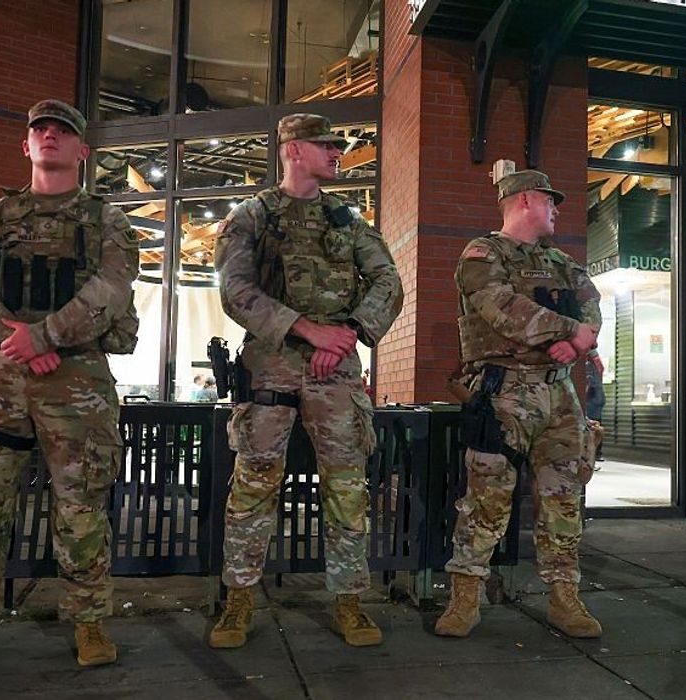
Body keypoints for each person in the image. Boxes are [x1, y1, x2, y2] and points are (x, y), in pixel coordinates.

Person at [0, 100, 140, 670]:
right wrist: (15, 334)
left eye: (64, 132)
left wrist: (47, 337)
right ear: (26, 144)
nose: (51, 137)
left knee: (82, 506)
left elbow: (111, 289)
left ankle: (89, 623)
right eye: (41, 130)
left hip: (77, 378)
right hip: (2, 375)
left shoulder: (107, 220)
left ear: (83, 150)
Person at [209, 114, 403, 649]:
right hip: (270, 366)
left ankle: (348, 600)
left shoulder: (347, 221)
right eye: (326, 144)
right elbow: (234, 289)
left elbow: (388, 279)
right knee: (253, 486)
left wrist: (347, 333)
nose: (337, 152)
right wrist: (307, 331)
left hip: (336, 370)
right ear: (293, 151)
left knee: (346, 487)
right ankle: (239, 599)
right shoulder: (251, 216)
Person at [434, 169, 604, 640]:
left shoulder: (564, 263)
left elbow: (591, 310)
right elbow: (503, 310)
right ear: (526, 200)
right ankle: (465, 596)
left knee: (563, 498)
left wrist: (578, 345)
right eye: (551, 201)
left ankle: (564, 596)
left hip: (559, 394)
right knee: (486, 499)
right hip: (502, 391)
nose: (556, 209)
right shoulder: (482, 254)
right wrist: (571, 332)